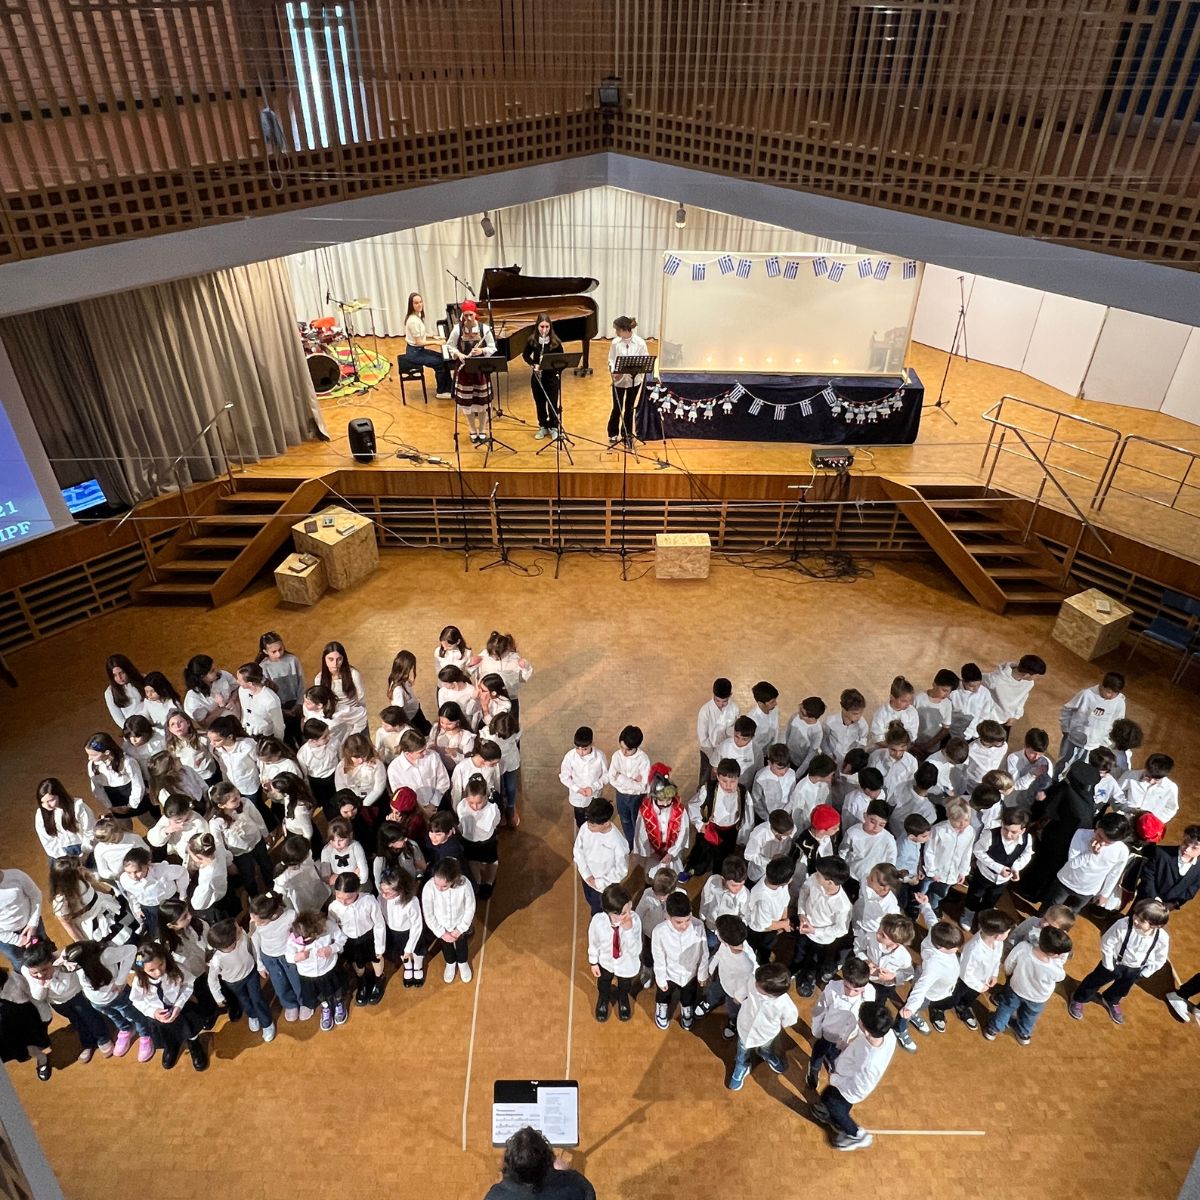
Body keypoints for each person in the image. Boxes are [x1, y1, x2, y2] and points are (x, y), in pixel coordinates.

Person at [811, 1000, 897, 1152]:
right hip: (845, 1077)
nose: (858, 1020)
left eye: (860, 1019)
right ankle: (832, 1115)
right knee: (828, 1097)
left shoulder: (870, 1063)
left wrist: (835, 1078)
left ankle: (856, 1134)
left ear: (867, 1030)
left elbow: (859, 1086)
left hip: (848, 1088)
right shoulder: (887, 1034)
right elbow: (860, 1049)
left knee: (833, 1102)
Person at [1069, 898, 1169, 1025]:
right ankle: (1079, 997)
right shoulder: (1123, 924)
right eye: (1136, 915)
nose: (1136, 920)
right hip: (1114, 962)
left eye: (1142, 920)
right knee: (1094, 981)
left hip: (1135, 969)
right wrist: (1108, 964)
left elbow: (1161, 958)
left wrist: (1146, 972)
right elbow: (1107, 942)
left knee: (1122, 989)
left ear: (1155, 926)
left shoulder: (1162, 938)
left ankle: (1111, 999)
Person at [22, 940, 114, 1064]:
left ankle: (103, 1038)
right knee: (76, 1022)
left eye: (44, 970)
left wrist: (50, 980)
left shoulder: (65, 962)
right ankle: (88, 1043)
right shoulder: (26, 970)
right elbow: (39, 996)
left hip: (77, 996)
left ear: (52, 962)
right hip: (58, 1004)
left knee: (90, 1017)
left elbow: (63, 989)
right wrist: (42, 984)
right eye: (35, 973)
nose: (40, 975)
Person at [127, 941, 209, 1070]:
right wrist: (153, 1012)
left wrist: (179, 1005)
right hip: (159, 1016)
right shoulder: (140, 982)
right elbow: (136, 1000)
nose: (158, 972)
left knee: (190, 1029)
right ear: (142, 968)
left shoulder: (177, 969)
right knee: (167, 1035)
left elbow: (188, 985)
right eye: (151, 970)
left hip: (180, 1008)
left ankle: (194, 1044)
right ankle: (171, 1047)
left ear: (165, 958)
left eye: (161, 964)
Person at [984, 926, 1072, 1045]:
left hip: (1016, 989)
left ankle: (993, 1029)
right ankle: (1023, 1034)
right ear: (1056, 954)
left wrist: (1009, 975)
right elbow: (1060, 977)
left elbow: (1009, 964)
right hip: (1038, 998)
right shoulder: (1055, 967)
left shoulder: (1023, 947)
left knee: (1006, 1008)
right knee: (1030, 1015)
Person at [894, 913, 963, 1053]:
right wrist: (910, 1007)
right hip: (928, 991)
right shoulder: (934, 965)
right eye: (954, 948)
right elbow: (921, 988)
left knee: (919, 1006)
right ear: (941, 947)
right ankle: (900, 1028)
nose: (957, 950)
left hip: (934, 988)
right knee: (912, 1006)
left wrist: (925, 906)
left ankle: (914, 1013)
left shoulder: (935, 932)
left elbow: (931, 919)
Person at [726, 962, 797, 1090]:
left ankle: (767, 1054)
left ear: (772, 993)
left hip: (766, 1033)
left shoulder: (784, 1005)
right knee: (742, 1048)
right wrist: (738, 997)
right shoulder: (755, 980)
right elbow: (745, 987)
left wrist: (781, 1024)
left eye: (759, 985)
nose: (755, 984)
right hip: (745, 1025)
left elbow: (789, 1019)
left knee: (766, 1047)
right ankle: (742, 1065)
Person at [806, 957, 875, 1090]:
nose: (850, 992)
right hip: (828, 1033)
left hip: (848, 1038)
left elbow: (866, 1019)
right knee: (819, 1050)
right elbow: (819, 1010)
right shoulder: (832, 989)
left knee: (837, 1055)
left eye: (856, 990)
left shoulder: (871, 994)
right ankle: (814, 1068)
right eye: (846, 987)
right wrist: (816, 1030)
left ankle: (831, 1062)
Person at [962, 807, 1033, 930]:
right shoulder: (990, 835)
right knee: (975, 894)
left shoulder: (1028, 839)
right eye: (1005, 829)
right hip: (984, 874)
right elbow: (978, 851)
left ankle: (984, 917)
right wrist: (998, 868)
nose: (1008, 834)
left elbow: (1027, 854)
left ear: (1022, 830)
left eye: (1013, 832)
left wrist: (1016, 867)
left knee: (992, 899)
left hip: (1003, 880)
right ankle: (969, 912)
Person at [1044, 812, 1131, 913]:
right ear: (1097, 825)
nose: (1102, 843)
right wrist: (1090, 852)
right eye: (1100, 836)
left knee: (1069, 916)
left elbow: (1114, 873)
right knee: (1048, 911)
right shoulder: (1081, 835)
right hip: (1065, 883)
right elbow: (1072, 864)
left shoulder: (1122, 851)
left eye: (1108, 843)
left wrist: (1105, 894)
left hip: (1088, 892)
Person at [791, 856, 852, 996]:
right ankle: (795, 969)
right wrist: (801, 912)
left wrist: (815, 931)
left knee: (815, 960)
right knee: (799, 952)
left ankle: (809, 978)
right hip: (804, 927)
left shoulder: (843, 905)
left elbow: (841, 929)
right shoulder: (815, 879)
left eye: (819, 874)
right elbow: (804, 891)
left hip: (822, 940)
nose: (815, 875)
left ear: (830, 882)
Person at [206, 919, 277, 1042]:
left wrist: (258, 964)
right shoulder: (217, 959)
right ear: (229, 943)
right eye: (238, 929)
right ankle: (253, 1015)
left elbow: (251, 947)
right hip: (234, 983)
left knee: (257, 999)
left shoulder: (242, 936)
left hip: (251, 974)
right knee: (245, 1001)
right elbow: (212, 980)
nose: (241, 929)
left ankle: (267, 1023)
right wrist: (218, 997)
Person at [484, 1126, 597, 1200]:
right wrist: (562, 1175)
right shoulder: (575, 1187)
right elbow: (585, 1193)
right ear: (548, 1160)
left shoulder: (495, 1196)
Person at [945, 908, 1012, 1030]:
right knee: (953, 996)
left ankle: (962, 1007)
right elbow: (965, 974)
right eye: (1007, 932)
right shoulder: (974, 949)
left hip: (982, 981)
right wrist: (980, 986)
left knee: (970, 997)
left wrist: (994, 974)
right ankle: (940, 1008)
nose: (1008, 935)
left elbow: (996, 960)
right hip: (964, 981)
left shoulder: (998, 943)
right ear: (998, 935)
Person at [651, 891, 710, 1030]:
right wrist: (660, 979)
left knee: (689, 994)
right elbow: (658, 958)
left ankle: (686, 1007)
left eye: (687, 920)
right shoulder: (659, 931)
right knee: (663, 993)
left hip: (690, 973)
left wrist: (702, 973)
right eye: (678, 922)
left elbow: (704, 951)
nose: (684, 925)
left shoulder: (699, 925)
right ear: (668, 916)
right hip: (669, 973)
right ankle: (662, 1005)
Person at [686, 758, 753, 877]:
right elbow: (693, 805)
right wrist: (699, 824)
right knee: (701, 853)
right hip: (710, 829)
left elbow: (748, 818)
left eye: (732, 781)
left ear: (738, 778)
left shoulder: (743, 793)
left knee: (723, 858)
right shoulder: (708, 789)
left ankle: (717, 876)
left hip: (730, 833)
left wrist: (742, 839)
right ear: (717, 777)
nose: (728, 785)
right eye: (724, 781)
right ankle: (692, 870)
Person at [328, 873, 386, 1007]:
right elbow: (333, 928)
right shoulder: (334, 907)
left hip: (369, 937)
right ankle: (362, 981)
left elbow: (379, 924)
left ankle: (379, 978)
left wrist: (380, 946)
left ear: (357, 890)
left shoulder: (368, 901)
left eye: (348, 898)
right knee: (357, 962)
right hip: (349, 940)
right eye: (339, 897)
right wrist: (338, 944)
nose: (343, 902)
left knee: (376, 958)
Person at [696, 913, 755, 1039]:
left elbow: (749, 981)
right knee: (713, 992)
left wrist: (738, 997)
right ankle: (708, 1003)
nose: (716, 933)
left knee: (733, 1008)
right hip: (722, 979)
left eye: (718, 932)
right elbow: (718, 955)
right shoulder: (725, 945)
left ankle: (734, 1022)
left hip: (734, 991)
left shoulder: (748, 963)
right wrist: (710, 969)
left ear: (725, 939)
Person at [587, 883, 641, 1022]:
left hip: (626, 963)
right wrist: (593, 962)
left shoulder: (634, 920)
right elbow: (593, 943)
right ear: (611, 913)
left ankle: (623, 998)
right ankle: (603, 998)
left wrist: (629, 931)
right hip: (606, 962)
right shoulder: (598, 922)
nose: (628, 915)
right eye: (623, 913)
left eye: (629, 909)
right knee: (604, 982)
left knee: (625, 984)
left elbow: (636, 950)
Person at [285, 910, 347, 1030]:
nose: (305, 943)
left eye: (309, 940)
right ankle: (326, 1006)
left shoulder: (328, 926)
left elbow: (342, 939)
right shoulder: (294, 938)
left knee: (336, 988)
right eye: (303, 941)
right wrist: (296, 957)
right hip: (309, 975)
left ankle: (339, 1002)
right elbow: (288, 956)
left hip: (329, 969)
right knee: (319, 994)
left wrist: (331, 949)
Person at [447, 299, 498, 445]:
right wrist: (459, 354)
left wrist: (482, 350)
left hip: (480, 371)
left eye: (470, 315)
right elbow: (450, 346)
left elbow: (492, 347)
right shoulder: (457, 329)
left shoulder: (484, 329)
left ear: (475, 314)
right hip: (464, 371)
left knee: (482, 403)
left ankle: (482, 429)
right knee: (467, 403)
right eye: (465, 315)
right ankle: (472, 429)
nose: (468, 318)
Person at [249, 892, 303, 1022]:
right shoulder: (255, 922)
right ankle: (290, 1004)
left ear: (273, 916)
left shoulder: (290, 916)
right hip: (269, 958)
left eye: (260, 922)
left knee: (297, 981)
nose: (255, 922)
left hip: (289, 955)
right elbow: (255, 942)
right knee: (279, 984)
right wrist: (259, 964)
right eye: (252, 917)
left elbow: (299, 936)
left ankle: (304, 1002)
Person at [421, 858, 477, 984]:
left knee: (462, 944)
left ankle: (462, 962)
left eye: (444, 886)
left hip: (459, 923)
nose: (439, 889)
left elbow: (470, 907)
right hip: (442, 925)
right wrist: (441, 932)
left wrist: (461, 928)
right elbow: (428, 914)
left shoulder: (464, 884)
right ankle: (450, 963)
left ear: (454, 879)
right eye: (436, 884)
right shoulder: (429, 888)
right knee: (446, 946)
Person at [572, 799, 630, 916]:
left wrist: (598, 883)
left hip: (605, 888)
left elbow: (621, 870)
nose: (589, 827)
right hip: (587, 878)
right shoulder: (585, 828)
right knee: (590, 900)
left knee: (599, 912)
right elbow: (578, 850)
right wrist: (587, 874)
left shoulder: (618, 842)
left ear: (606, 823)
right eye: (589, 823)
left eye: (593, 825)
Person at [1058, 671, 1126, 770]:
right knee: (1064, 763)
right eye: (1108, 692)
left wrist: (1106, 742)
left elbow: (1118, 723)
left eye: (1115, 693)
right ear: (1102, 686)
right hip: (1075, 739)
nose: (1111, 696)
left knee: (1084, 769)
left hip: (1097, 745)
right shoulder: (1086, 694)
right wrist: (1066, 729)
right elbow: (1067, 710)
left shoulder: (1119, 702)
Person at [257, 631, 306, 745]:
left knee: (299, 734)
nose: (278, 654)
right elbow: (267, 694)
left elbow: (301, 683)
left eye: (280, 649)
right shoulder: (263, 668)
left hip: (295, 705)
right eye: (273, 652)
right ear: (265, 651)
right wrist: (281, 711)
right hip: (280, 708)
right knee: (286, 738)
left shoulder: (293, 660)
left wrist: (299, 703)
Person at [458, 773, 502, 899]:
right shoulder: (462, 806)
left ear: (486, 797)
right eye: (471, 803)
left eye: (479, 802)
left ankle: (489, 882)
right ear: (466, 798)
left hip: (487, 840)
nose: (475, 806)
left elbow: (496, 822)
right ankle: (477, 880)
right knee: (473, 860)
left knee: (491, 861)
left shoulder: (492, 809)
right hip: (469, 839)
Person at [379, 868, 425, 987]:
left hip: (410, 931)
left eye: (388, 892)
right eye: (382, 890)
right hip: (394, 932)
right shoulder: (381, 898)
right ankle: (408, 966)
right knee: (401, 951)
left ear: (401, 889)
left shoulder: (411, 902)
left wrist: (409, 948)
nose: (384, 895)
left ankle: (418, 966)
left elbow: (416, 925)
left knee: (416, 950)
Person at [607, 315, 648, 448]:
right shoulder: (615, 343)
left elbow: (645, 360)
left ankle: (627, 434)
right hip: (619, 381)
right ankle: (612, 432)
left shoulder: (640, 343)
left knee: (629, 408)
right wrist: (614, 371)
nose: (616, 333)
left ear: (625, 330)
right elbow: (611, 359)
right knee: (617, 407)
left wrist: (636, 370)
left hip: (633, 381)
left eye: (617, 330)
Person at [521, 313, 565, 439]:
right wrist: (533, 364)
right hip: (537, 377)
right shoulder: (532, 341)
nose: (544, 330)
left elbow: (561, 360)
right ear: (537, 327)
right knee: (540, 404)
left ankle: (554, 427)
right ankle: (543, 426)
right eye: (542, 327)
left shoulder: (556, 342)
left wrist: (555, 369)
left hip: (551, 378)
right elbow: (525, 355)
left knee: (552, 404)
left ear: (550, 327)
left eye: (547, 327)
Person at [1136, 825, 1200, 910]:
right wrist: (1154, 898)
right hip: (1145, 900)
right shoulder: (1161, 853)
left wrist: (1174, 904)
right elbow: (1147, 876)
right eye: (1185, 843)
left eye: (1194, 848)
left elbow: (1190, 891)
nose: (1187, 849)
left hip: (1166, 908)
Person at [402, 291, 453, 398]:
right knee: (439, 363)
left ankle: (449, 387)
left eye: (420, 302)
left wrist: (433, 336)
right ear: (411, 305)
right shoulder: (413, 321)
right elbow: (419, 342)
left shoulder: (417, 315)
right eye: (416, 303)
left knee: (443, 358)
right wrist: (436, 342)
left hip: (418, 350)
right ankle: (441, 392)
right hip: (414, 353)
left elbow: (421, 334)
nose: (419, 305)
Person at [607, 725, 650, 847]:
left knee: (638, 822)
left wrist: (621, 778)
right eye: (621, 747)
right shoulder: (616, 756)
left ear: (636, 747)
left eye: (628, 750)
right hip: (621, 795)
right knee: (625, 820)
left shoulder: (643, 759)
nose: (624, 753)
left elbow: (643, 787)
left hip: (637, 798)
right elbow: (611, 779)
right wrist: (632, 782)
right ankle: (631, 844)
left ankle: (640, 845)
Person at [746, 856, 795, 964]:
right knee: (761, 949)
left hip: (775, 925)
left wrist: (784, 920)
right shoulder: (762, 899)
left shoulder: (775, 880)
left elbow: (785, 900)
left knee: (770, 943)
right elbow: (765, 924)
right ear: (786, 881)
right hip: (760, 931)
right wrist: (784, 924)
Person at [34, 778, 96, 862]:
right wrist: (63, 857)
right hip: (60, 855)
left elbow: (90, 831)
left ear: (60, 795)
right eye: (43, 802)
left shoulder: (78, 807)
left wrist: (85, 853)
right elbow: (46, 839)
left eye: (51, 800)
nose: (47, 805)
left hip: (83, 849)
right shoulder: (41, 814)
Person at [559, 726, 608, 829]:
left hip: (595, 796)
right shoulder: (570, 756)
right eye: (578, 748)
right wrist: (577, 789)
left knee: (595, 821)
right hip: (578, 798)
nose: (581, 752)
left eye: (585, 749)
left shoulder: (600, 756)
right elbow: (564, 776)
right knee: (581, 822)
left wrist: (593, 787)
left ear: (592, 743)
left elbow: (606, 775)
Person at [697, 679, 740, 788]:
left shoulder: (734, 709)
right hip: (709, 750)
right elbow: (703, 739)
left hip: (727, 752)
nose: (721, 704)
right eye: (717, 700)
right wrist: (714, 760)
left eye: (724, 701)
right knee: (705, 779)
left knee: (725, 780)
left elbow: (736, 730)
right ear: (713, 695)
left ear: (730, 695)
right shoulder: (705, 711)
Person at [236, 663, 284, 740]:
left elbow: (279, 726)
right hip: (245, 733)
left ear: (250, 683)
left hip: (263, 738)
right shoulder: (242, 690)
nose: (237, 681)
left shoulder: (270, 700)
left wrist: (277, 743)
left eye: (239, 680)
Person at [868, 676, 918, 745]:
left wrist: (902, 748)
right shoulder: (881, 713)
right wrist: (894, 748)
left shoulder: (911, 711)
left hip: (904, 748)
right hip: (883, 748)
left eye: (910, 700)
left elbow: (912, 736)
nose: (908, 704)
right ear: (892, 697)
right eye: (904, 701)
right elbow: (877, 738)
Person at [822, 688, 868, 763]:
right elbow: (823, 740)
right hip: (832, 759)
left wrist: (855, 758)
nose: (859, 716)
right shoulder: (830, 722)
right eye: (855, 713)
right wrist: (829, 755)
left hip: (851, 762)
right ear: (843, 709)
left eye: (861, 713)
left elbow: (862, 742)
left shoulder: (862, 724)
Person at [103, 654, 147, 727]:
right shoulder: (109, 693)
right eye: (115, 675)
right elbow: (118, 718)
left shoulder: (143, 679)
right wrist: (131, 730)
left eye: (121, 673)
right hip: (134, 728)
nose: (119, 678)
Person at [785, 697, 826, 774]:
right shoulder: (795, 717)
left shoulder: (817, 732)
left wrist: (798, 774)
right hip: (788, 758)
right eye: (800, 708)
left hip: (801, 764)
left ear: (812, 718)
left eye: (802, 713)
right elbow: (788, 734)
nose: (799, 712)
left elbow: (810, 756)